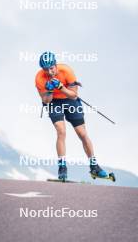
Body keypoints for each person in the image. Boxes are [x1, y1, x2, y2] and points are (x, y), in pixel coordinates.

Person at [35, 51, 108, 181]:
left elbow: (73, 95)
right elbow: (46, 100)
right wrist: (50, 90)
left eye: (51, 68)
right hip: (54, 102)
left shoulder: (66, 71)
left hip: (69, 99)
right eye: (46, 69)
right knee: (61, 131)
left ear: (55, 65)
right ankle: (62, 167)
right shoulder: (39, 78)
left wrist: (60, 87)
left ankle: (94, 166)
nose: (50, 71)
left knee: (82, 133)